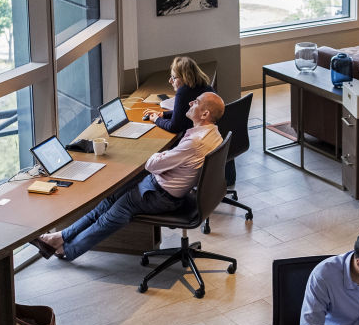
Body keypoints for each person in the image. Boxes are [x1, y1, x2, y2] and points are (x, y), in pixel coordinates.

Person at [30, 92, 225, 261]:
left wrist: (160, 156)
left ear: (205, 114)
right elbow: (159, 163)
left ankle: (67, 249)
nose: (191, 103)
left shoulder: (195, 142)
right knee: (109, 200)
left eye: (197, 102)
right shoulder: (214, 134)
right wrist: (163, 157)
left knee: (113, 214)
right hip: (162, 187)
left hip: (161, 196)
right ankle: (61, 236)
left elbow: (151, 164)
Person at [144, 56, 214, 133]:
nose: (170, 81)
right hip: (208, 136)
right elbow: (183, 111)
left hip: (195, 139)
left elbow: (174, 127)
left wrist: (156, 119)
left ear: (185, 77)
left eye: (174, 77)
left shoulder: (183, 92)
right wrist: (163, 114)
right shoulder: (207, 87)